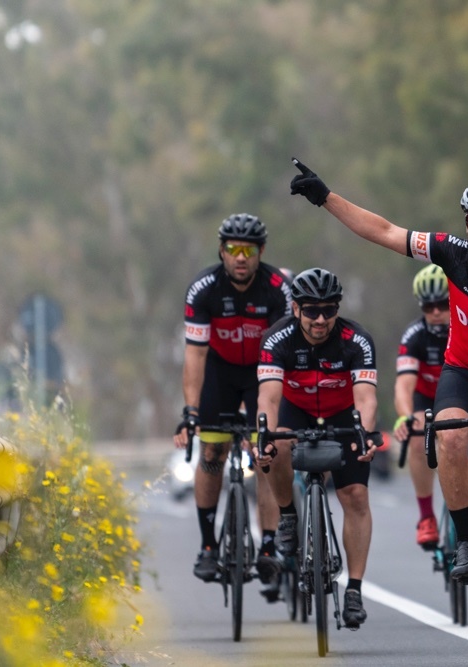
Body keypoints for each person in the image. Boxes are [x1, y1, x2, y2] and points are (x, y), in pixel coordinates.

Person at [289, 159, 468, 614]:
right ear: (466, 222)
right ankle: (466, 544)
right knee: (451, 438)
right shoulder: (450, 253)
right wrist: (326, 197)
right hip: (464, 374)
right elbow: (383, 230)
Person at [254, 267, 381, 629]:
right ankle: (288, 516)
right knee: (275, 443)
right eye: (311, 310)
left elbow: (366, 399)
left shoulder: (357, 339)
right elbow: (269, 397)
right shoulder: (276, 340)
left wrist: (365, 434)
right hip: (298, 410)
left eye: (328, 309)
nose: (320, 318)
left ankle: (353, 590)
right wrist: (263, 435)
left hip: (343, 414)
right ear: (296, 309)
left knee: (356, 495)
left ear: (337, 309)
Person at [173, 213, 293, 598]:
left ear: (261, 253)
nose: (241, 258)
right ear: (221, 251)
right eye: (233, 250)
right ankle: (209, 545)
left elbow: (285, 353)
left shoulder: (278, 288)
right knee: (211, 452)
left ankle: (270, 545)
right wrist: (190, 410)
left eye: (249, 250)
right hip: (220, 374)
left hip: (263, 372)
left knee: (266, 456)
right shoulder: (203, 289)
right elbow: (194, 357)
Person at [392, 264, 451, 550]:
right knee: (418, 437)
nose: (436, 311)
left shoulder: (466, 327)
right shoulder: (414, 335)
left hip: (465, 396)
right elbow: (404, 385)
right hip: (426, 400)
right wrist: (406, 416)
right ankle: (426, 516)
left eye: (442, 304)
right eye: (429, 306)